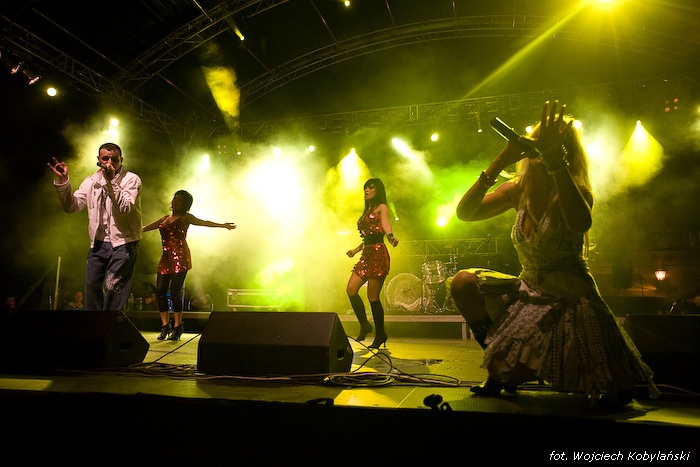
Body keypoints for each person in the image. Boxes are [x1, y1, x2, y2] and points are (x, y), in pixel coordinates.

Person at [449, 101, 658, 409]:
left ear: (563, 151)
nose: (538, 147)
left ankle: (520, 368)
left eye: (550, 143)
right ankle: (496, 361)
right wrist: (500, 160)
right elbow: (465, 213)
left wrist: (555, 161)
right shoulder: (517, 189)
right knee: (463, 282)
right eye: (537, 140)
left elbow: (580, 223)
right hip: (528, 293)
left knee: (614, 393)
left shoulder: (574, 191)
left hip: (569, 299)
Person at [48, 143, 142, 311]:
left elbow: (124, 208)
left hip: (124, 241)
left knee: (112, 287)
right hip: (98, 242)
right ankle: (95, 324)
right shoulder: (91, 181)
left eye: (115, 159)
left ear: (121, 160)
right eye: (105, 159)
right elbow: (71, 206)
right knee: (91, 287)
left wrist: (111, 181)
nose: (110, 163)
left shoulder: (131, 180)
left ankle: (109, 323)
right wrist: (63, 181)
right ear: (98, 159)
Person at [143, 190, 236, 341]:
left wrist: (222, 225)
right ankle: (165, 325)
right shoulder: (164, 219)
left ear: (185, 204)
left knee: (175, 292)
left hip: (181, 258)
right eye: (175, 198)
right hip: (166, 258)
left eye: (179, 200)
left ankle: (177, 326)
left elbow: (204, 222)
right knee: (160, 291)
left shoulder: (186, 218)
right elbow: (144, 228)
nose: (175, 201)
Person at [346, 178, 399, 349]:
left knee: (372, 297)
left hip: (378, 254)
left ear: (378, 191)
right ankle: (365, 325)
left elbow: (385, 224)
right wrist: (355, 250)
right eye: (365, 188)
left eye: (370, 188)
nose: (366, 190)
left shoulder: (382, 207)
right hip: (366, 255)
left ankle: (380, 333)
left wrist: (390, 236)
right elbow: (367, 238)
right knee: (351, 289)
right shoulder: (366, 211)